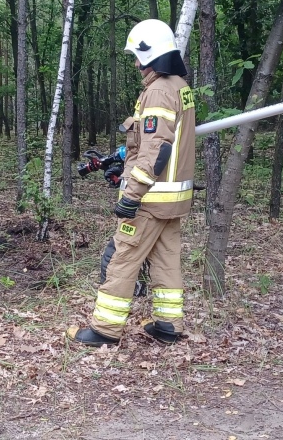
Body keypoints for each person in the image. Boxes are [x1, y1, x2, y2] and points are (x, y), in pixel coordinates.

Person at [68, 19, 196, 346]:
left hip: (150, 199)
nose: (137, 65)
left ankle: (104, 331)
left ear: (149, 54)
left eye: (138, 58)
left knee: (122, 258)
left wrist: (133, 192)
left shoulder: (157, 91)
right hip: (172, 199)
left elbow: (157, 148)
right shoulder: (180, 86)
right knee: (167, 261)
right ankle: (169, 325)